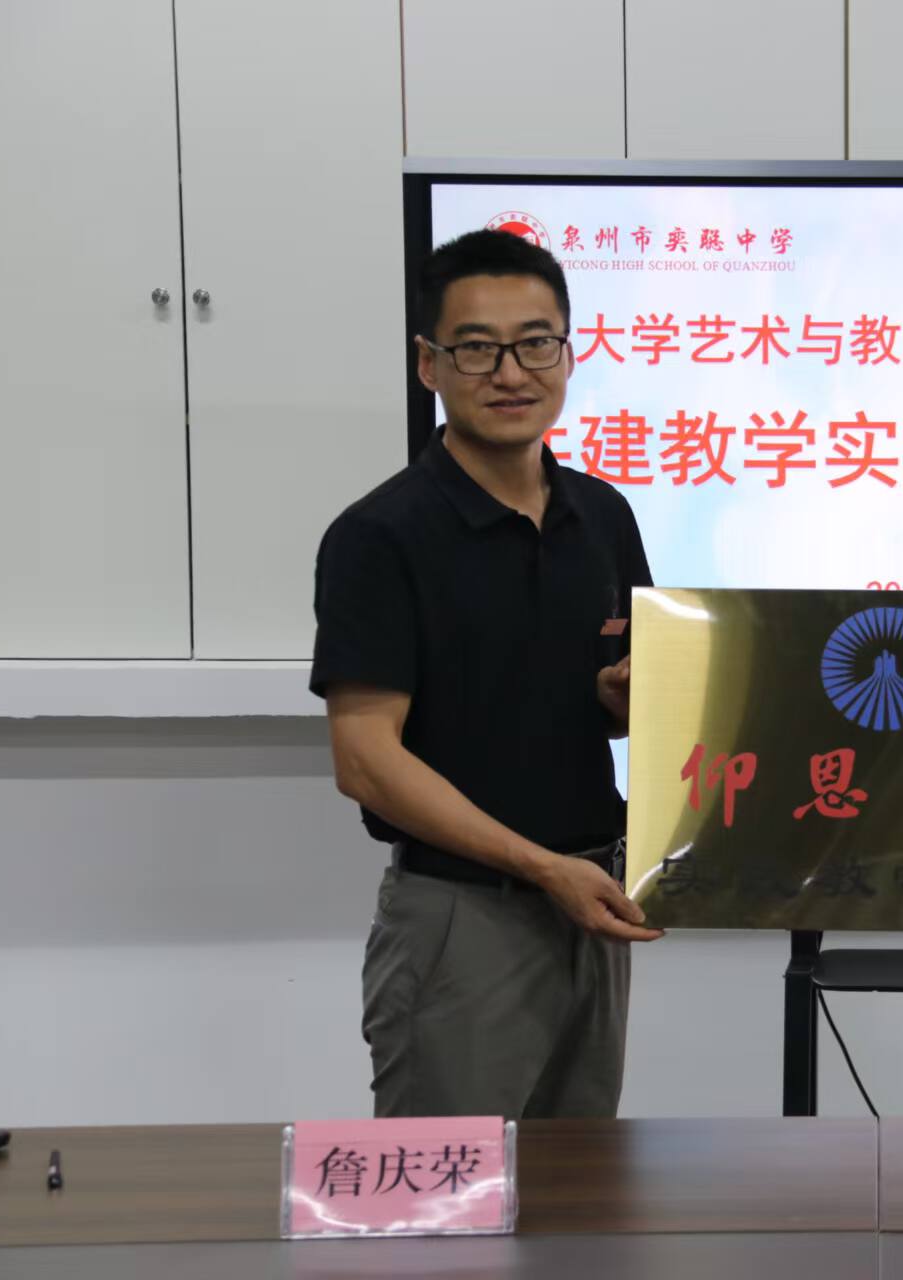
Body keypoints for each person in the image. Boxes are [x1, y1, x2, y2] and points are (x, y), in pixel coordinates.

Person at [310, 228, 662, 1119]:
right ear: (428, 364)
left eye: (536, 343)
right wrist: (542, 867)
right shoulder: (380, 536)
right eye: (477, 348)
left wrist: (624, 702)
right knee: (448, 1191)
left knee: (581, 1186)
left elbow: (603, 706)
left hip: (592, 901)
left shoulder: (603, 515)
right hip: (463, 918)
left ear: (568, 353)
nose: (511, 373)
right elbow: (365, 760)